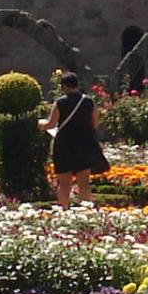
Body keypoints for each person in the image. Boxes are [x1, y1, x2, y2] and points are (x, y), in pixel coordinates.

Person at [44, 71, 110, 206]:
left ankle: (63, 210)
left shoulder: (60, 102)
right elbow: (95, 124)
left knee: (64, 184)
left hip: (64, 144)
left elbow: (51, 124)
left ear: (63, 86)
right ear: (77, 84)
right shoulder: (88, 101)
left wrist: (39, 124)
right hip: (84, 143)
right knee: (84, 183)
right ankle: (86, 209)